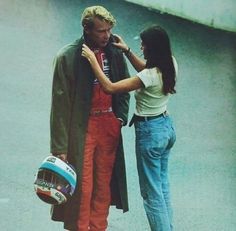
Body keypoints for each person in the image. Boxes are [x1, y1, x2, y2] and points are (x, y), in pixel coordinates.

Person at [82, 25, 178, 231]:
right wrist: (127, 51)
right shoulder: (170, 64)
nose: (141, 47)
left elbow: (110, 87)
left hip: (150, 133)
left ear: (152, 48)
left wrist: (92, 60)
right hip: (166, 128)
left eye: (144, 45)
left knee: (151, 195)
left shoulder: (149, 76)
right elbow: (145, 70)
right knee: (162, 186)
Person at [50, 6, 130, 231]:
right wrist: (60, 147)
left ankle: (98, 228)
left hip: (109, 125)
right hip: (82, 128)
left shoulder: (114, 51)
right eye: (101, 31)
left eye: (109, 30)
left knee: (103, 184)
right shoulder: (67, 56)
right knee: (83, 185)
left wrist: (120, 118)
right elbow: (60, 105)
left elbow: (125, 86)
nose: (106, 35)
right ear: (86, 29)